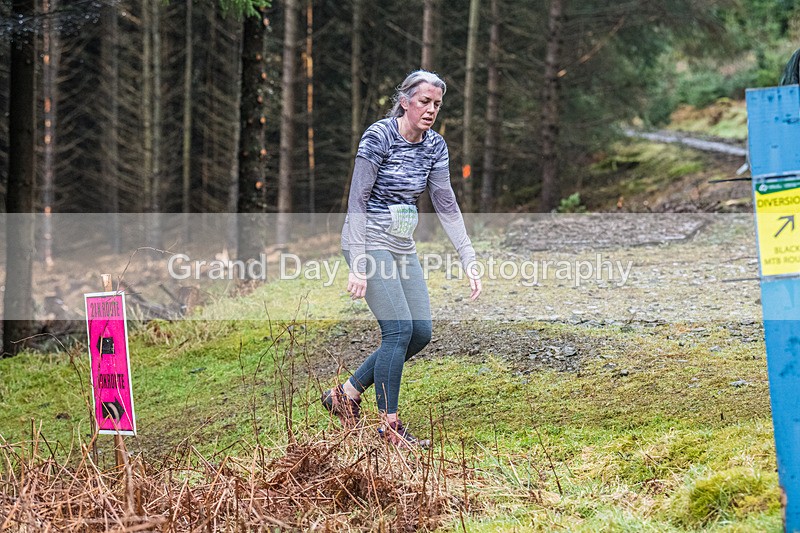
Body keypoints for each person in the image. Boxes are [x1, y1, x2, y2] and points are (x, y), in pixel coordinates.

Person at [321, 70, 482, 448]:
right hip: (366, 241)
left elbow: (446, 202)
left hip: (400, 244)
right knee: (397, 331)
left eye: (437, 104)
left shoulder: (435, 146)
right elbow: (356, 201)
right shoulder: (379, 137)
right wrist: (359, 263)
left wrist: (468, 256)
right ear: (405, 100)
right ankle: (389, 425)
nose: (431, 110)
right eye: (424, 101)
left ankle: (345, 394)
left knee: (420, 332)